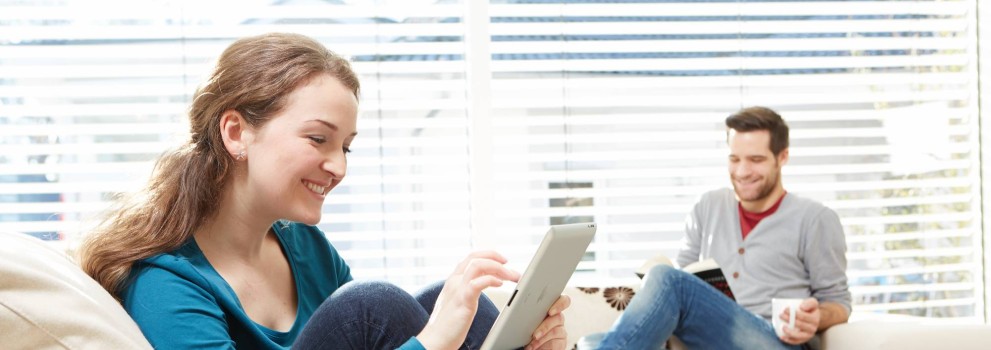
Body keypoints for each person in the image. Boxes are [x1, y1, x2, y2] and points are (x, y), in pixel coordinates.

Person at [78, 33, 570, 350]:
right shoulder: (167, 285)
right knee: (371, 305)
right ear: (235, 133)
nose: (337, 166)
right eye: (318, 139)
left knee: (452, 299)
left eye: (346, 147)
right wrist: (433, 344)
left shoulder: (306, 249)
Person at [594, 106, 850, 350]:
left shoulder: (816, 219)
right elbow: (686, 278)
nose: (742, 171)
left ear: (782, 157)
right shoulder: (708, 206)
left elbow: (839, 303)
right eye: (734, 159)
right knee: (594, 341)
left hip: (775, 341)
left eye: (756, 159)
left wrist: (817, 318)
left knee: (667, 280)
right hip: (709, 338)